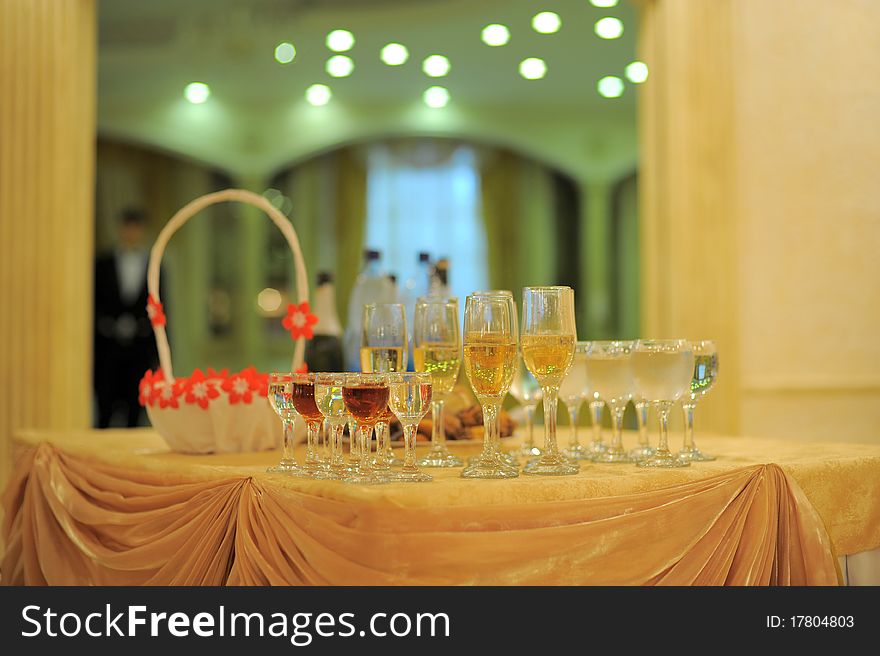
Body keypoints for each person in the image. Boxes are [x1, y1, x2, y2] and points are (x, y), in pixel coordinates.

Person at [93, 208, 160, 428]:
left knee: (135, 409)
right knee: (104, 408)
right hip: (107, 349)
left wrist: (159, 351)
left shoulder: (154, 265)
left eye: (136, 228)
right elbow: (94, 302)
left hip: (139, 349)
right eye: (127, 227)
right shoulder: (102, 263)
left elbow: (160, 306)